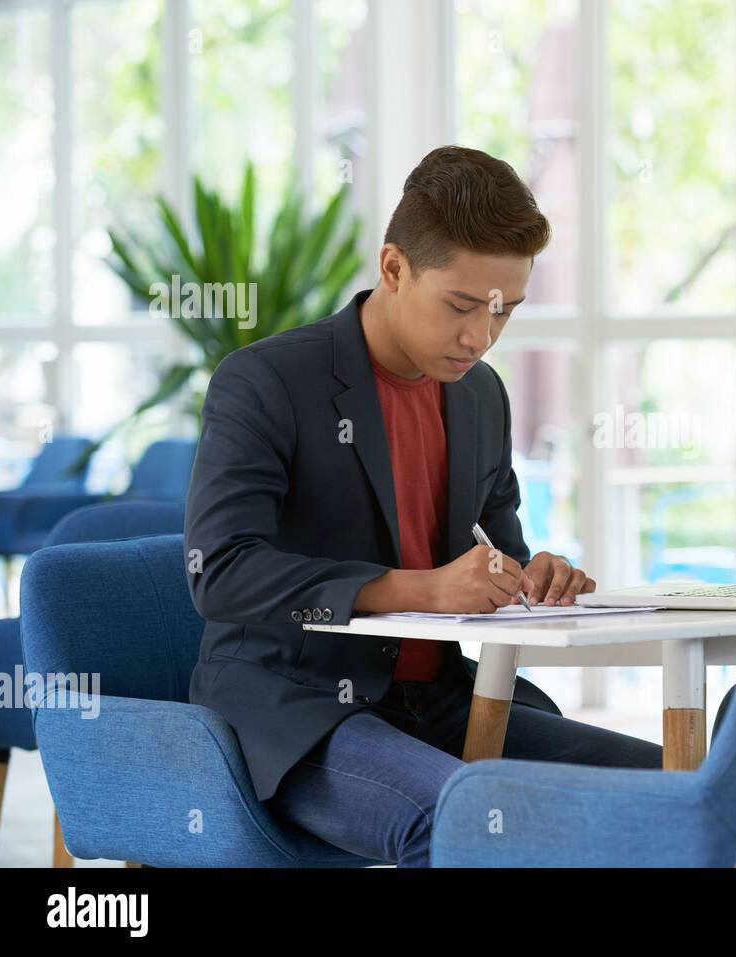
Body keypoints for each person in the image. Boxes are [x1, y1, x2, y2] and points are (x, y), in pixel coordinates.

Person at [185, 146, 661, 867]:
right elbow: (219, 571)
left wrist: (532, 575)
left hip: (432, 702)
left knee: (673, 786)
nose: (481, 335)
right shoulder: (267, 381)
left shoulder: (479, 395)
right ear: (393, 268)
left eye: (504, 310)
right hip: (297, 707)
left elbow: (497, 549)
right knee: (467, 824)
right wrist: (424, 588)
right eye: (462, 305)